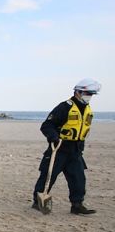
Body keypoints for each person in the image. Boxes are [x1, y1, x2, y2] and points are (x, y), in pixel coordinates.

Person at [32, 78, 102, 215]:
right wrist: (54, 138)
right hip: (59, 149)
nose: (89, 97)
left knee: (78, 179)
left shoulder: (86, 109)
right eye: (87, 93)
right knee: (47, 177)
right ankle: (37, 202)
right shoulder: (65, 107)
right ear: (78, 92)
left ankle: (77, 204)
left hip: (75, 150)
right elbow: (47, 125)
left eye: (91, 94)